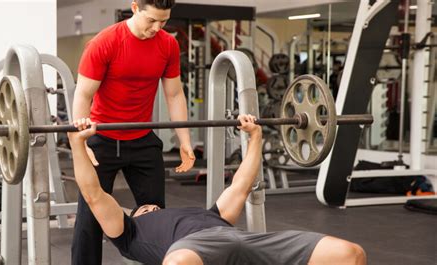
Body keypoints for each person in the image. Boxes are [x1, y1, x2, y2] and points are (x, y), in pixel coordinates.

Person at [68, 115, 367, 265]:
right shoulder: (128, 232)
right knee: (179, 263)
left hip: (242, 241)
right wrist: (77, 143)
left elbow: (241, 185)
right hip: (193, 252)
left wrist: (256, 136)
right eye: (144, 208)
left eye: (152, 207)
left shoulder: (211, 214)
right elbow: (93, 194)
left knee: (350, 254)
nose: (151, 207)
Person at [71, 0, 195, 264]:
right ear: (135, 7)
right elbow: (83, 95)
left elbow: (174, 95)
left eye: (164, 21)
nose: (157, 28)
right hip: (102, 139)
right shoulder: (105, 42)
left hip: (142, 140)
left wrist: (184, 140)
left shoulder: (168, 44)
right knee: (89, 219)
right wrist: (82, 144)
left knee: (158, 218)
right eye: (151, 20)